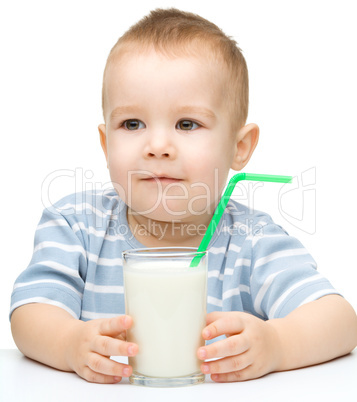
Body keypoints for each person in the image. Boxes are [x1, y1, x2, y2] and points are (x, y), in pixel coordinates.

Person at [10, 8, 357, 384]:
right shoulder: (76, 225)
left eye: (187, 124)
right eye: (132, 123)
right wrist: (67, 342)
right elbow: (31, 311)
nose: (157, 146)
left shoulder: (252, 240)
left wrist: (278, 344)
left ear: (239, 147)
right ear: (106, 143)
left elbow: (340, 321)